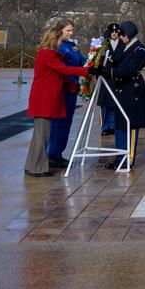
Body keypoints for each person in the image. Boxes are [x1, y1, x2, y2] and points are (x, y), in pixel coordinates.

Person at [25, 18, 96, 177]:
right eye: (59, 39)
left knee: (39, 136)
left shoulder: (52, 53)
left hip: (46, 100)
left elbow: (61, 74)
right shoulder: (47, 54)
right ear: (54, 39)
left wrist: (74, 86)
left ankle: (32, 165)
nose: (61, 43)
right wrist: (88, 72)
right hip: (44, 100)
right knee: (42, 136)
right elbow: (64, 69)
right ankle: (38, 168)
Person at [106, 20, 145, 170]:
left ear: (130, 34)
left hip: (132, 88)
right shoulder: (122, 47)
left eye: (123, 34)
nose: (120, 37)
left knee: (130, 124)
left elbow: (130, 69)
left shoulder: (139, 49)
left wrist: (111, 72)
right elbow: (113, 61)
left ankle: (128, 158)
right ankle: (120, 156)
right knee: (120, 124)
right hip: (121, 88)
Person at [45, 23, 86, 168]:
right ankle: (52, 154)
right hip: (63, 88)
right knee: (58, 123)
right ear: (60, 31)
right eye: (68, 30)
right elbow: (62, 69)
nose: (71, 33)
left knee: (67, 123)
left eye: (72, 30)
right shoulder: (57, 47)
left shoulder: (71, 45)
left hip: (72, 88)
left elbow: (82, 60)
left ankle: (58, 153)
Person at [94, 22, 121, 136]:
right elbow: (96, 58)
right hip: (105, 76)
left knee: (114, 103)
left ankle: (113, 125)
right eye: (112, 31)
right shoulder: (103, 44)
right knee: (104, 103)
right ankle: (105, 127)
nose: (114, 33)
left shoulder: (121, 44)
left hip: (116, 76)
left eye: (116, 32)